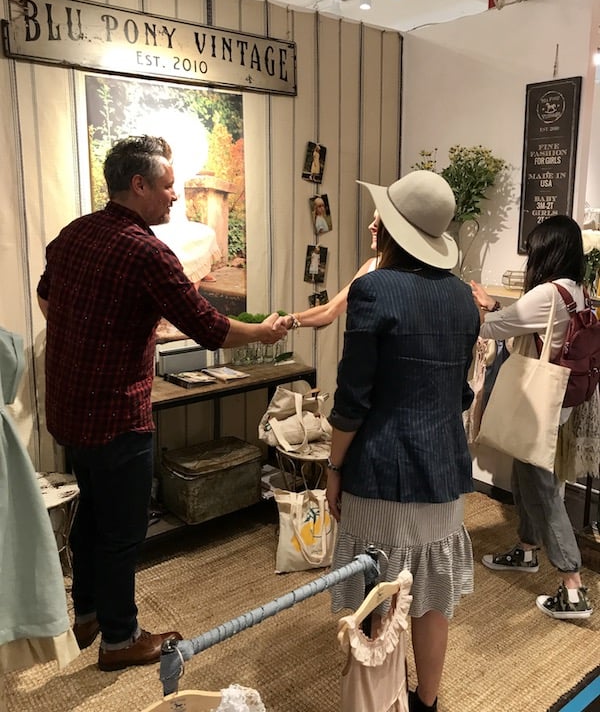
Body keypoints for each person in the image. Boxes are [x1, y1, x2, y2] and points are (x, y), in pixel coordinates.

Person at [36, 135, 286, 672]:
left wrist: (84, 335)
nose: (176, 195)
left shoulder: (74, 233)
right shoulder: (147, 252)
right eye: (169, 185)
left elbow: (45, 296)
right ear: (139, 184)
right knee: (124, 530)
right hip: (116, 415)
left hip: (69, 411)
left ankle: (87, 613)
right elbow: (211, 328)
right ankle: (120, 639)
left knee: (91, 513)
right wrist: (263, 331)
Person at [325, 170, 480, 712]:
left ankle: (378, 700)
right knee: (432, 594)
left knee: (377, 591)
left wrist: (333, 467)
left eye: (381, 217)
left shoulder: (373, 289)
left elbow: (352, 401)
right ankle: (426, 702)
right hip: (443, 469)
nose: (373, 224)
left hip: (382, 470)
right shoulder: (464, 299)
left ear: (395, 230)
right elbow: (461, 392)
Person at [471, 214, 593, 621]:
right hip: (557, 402)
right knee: (525, 473)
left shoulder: (547, 293)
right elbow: (525, 322)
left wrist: (473, 310)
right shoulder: (576, 291)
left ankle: (573, 587)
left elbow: (495, 329)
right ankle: (526, 550)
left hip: (539, 406)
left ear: (547, 252)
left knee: (543, 489)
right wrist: (494, 307)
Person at [283, 212, 379, 331]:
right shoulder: (371, 265)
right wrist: (291, 319)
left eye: (380, 221)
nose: (371, 226)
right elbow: (330, 310)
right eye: (373, 219)